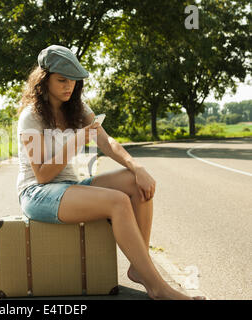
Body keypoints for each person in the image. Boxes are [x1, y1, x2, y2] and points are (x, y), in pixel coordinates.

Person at [16, 45, 206, 300]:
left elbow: (107, 143)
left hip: (70, 186)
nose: (68, 86)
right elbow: (42, 175)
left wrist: (137, 167)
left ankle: (139, 267)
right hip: (37, 193)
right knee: (117, 202)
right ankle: (159, 289)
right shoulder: (31, 117)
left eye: (73, 81)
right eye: (61, 80)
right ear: (44, 79)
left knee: (135, 183)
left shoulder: (77, 108)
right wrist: (75, 141)